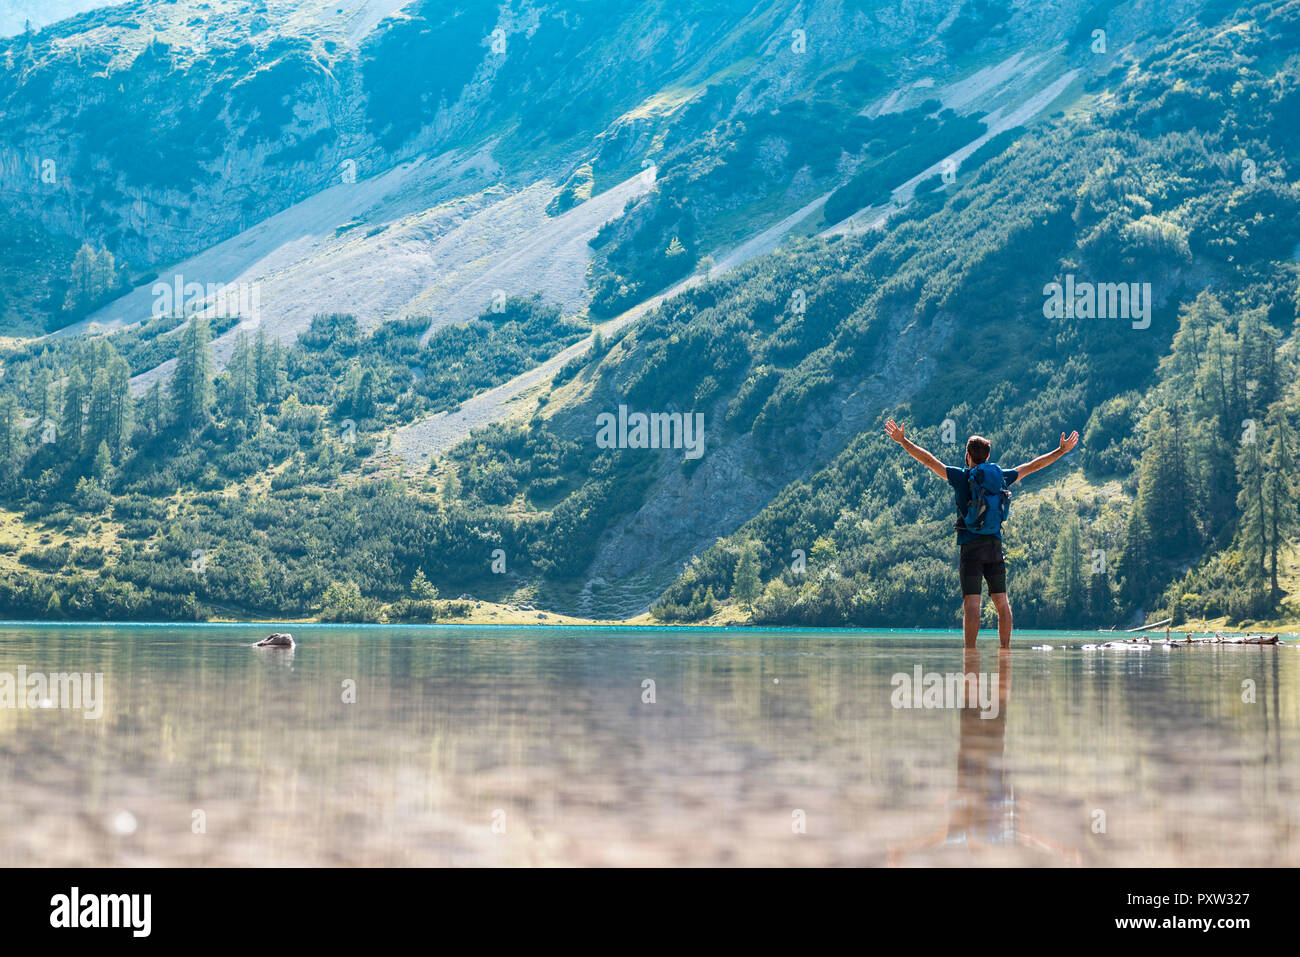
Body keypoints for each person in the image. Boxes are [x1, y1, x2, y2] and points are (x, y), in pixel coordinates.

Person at [884, 421, 1079, 647]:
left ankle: (970, 653)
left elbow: (929, 461)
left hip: (971, 547)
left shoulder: (961, 477)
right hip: (995, 546)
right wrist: (1061, 451)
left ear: (968, 455)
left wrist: (903, 441)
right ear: (988, 456)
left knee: (972, 604)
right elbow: (1032, 466)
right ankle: (1005, 651)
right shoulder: (1000, 477)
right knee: (1002, 602)